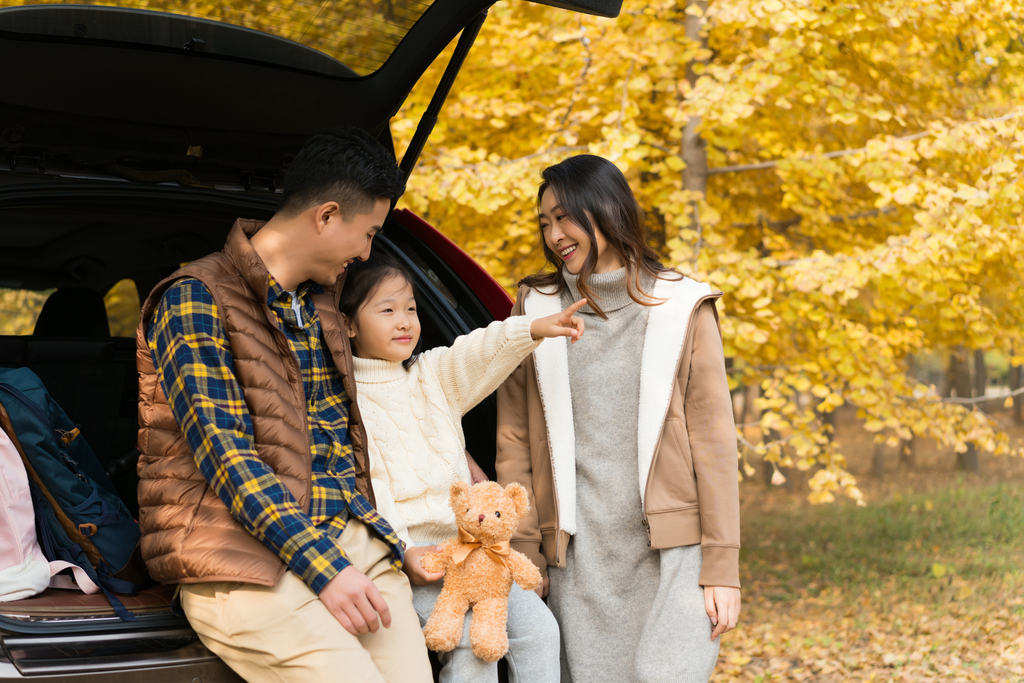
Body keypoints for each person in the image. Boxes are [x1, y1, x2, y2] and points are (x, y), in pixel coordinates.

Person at [136, 127, 433, 683]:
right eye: (366, 234)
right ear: (325, 216)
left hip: (350, 542)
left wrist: (384, 539)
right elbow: (230, 459)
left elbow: (347, 438)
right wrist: (325, 571)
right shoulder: (193, 299)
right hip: (236, 558)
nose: (366, 253)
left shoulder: (320, 306)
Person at [495, 154, 742, 683]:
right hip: (578, 558)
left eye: (564, 217)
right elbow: (514, 440)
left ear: (606, 207)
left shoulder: (682, 305)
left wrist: (723, 567)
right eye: (544, 223)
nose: (555, 234)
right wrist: (524, 550)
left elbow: (715, 444)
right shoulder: (535, 308)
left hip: (673, 553)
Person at [338, 248, 585, 683]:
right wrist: (403, 550)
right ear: (350, 325)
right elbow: (372, 487)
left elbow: (477, 351)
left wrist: (534, 328)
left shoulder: (431, 375)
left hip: (478, 553)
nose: (405, 321)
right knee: (470, 646)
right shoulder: (351, 404)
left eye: (411, 308)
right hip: (419, 562)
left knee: (541, 631)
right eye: (387, 309)